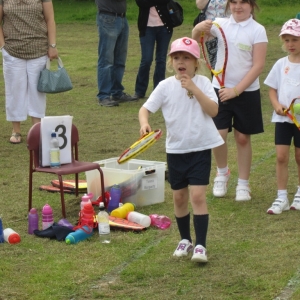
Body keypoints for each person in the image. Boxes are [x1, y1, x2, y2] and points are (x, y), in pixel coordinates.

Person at [139, 37, 224, 263]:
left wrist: (193, 88)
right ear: (171, 62)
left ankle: (201, 245)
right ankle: (185, 239)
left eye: (186, 57)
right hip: (176, 150)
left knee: (197, 196)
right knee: (179, 198)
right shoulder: (165, 86)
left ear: (196, 62)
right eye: (176, 57)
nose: (181, 61)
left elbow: (214, 111)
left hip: (200, 148)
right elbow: (145, 109)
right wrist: (144, 123)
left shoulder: (205, 83)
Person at [192, 0, 268, 201]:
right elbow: (196, 44)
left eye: (243, 2)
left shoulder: (258, 30)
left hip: (246, 91)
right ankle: (222, 173)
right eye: (234, 2)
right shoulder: (219, 24)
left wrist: (236, 90)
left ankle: (243, 184)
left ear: (252, 5)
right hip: (219, 89)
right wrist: (197, 30)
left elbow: (258, 66)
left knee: (243, 138)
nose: (238, 6)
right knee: (218, 135)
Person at [0, 0, 58, 144]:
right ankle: (16, 131)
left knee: (37, 91)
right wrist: (3, 48)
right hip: (12, 50)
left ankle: (36, 129)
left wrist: (52, 45)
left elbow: (50, 19)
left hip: (39, 50)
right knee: (14, 90)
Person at [264, 19, 300, 214]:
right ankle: (281, 197)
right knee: (281, 156)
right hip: (283, 120)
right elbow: (272, 89)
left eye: (294, 39)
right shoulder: (280, 64)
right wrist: (277, 106)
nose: (290, 44)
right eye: (286, 40)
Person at [96, 0, 137, 107]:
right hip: (108, 17)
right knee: (106, 60)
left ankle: (116, 92)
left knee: (120, 60)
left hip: (121, 18)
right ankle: (104, 95)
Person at [133, 0, 174, 100]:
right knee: (146, 60)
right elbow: (141, 3)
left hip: (165, 27)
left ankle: (159, 90)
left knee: (161, 59)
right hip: (147, 28)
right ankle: (140, 91)